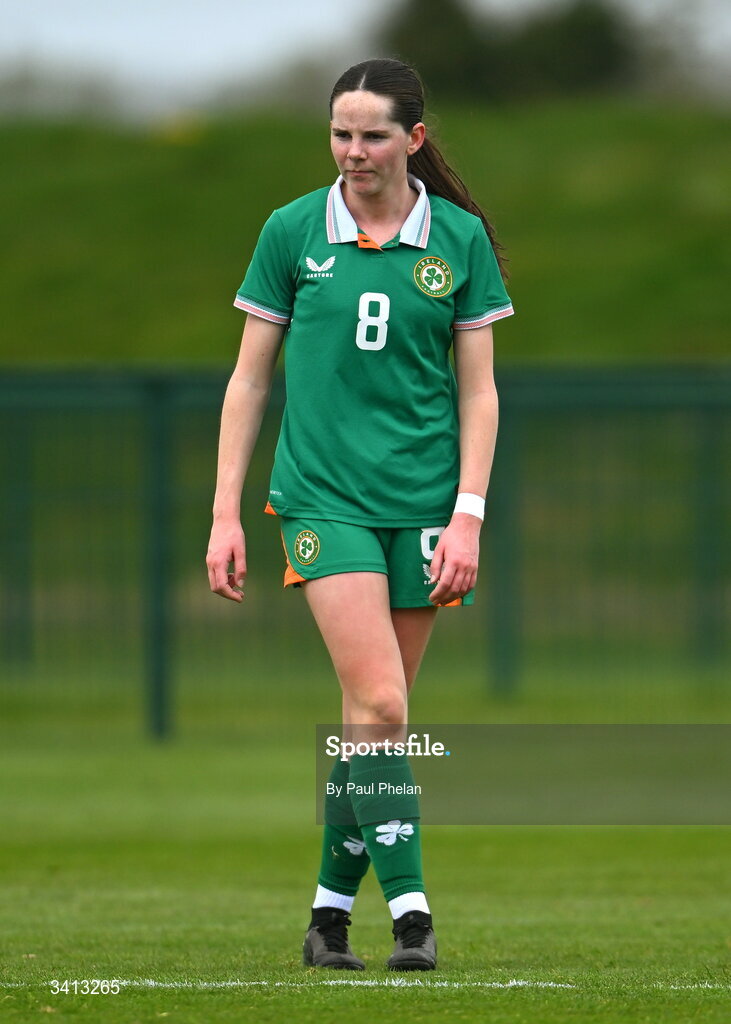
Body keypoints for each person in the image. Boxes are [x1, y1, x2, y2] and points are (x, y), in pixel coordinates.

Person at [206, 57, 513, 972]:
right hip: (321, 499)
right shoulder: (292, 230)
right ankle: (413, 917)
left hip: (422, 505)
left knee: (367, 722)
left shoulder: (456, 237)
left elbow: (480, 396)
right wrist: (225, 511)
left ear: (412, 139)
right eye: (340, 134)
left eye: (372, 134)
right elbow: (249, 377)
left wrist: (468, 516)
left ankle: (325, 916)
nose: (353, 151)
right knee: (382, 703)